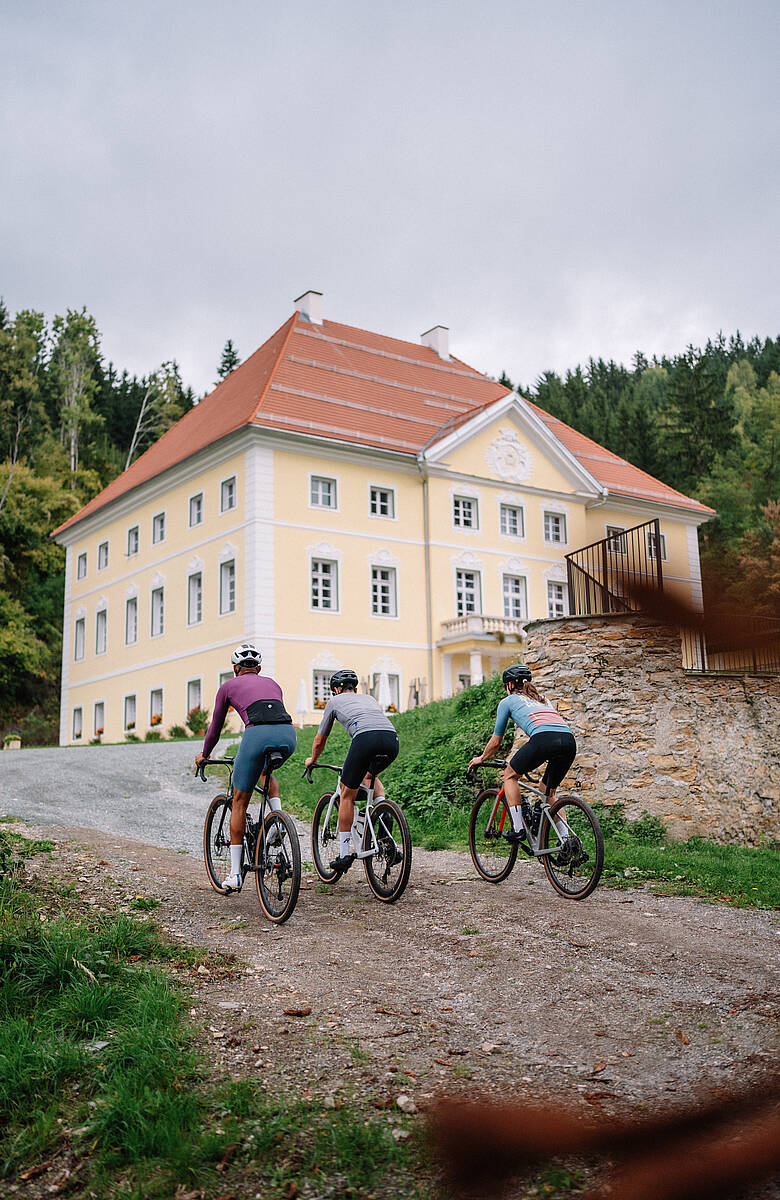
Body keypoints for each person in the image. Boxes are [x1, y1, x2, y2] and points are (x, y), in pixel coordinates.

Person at [195, 643, 296, 891]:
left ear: (235, 669)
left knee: (239, 801)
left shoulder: (228, 687)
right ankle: (279, 820)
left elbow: (215, 729)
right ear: (259, 668)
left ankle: (235, 875)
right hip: (288, 736)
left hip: (256, 736)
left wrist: (204, 755)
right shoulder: (273, 683)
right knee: (265, 770)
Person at [468, 664, 575, 844]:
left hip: (544, 740)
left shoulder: (507, 702)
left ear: (509, 685)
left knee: (510, 775)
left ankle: (518, 828)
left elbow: (495, 742)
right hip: (569, 741)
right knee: (548, 793)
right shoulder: (543, 699)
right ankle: (566, 841)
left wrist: (481, 758)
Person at [305, 669, 399, 873]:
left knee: (347, 793)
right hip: (391, 738)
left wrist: (313, 759)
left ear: (336, 690)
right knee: (370, 776)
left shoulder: (333, 702)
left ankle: (344, 854)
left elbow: (321, 739)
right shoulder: (369, 699)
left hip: (365, 739)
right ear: (355, 689)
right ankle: (384, 813)